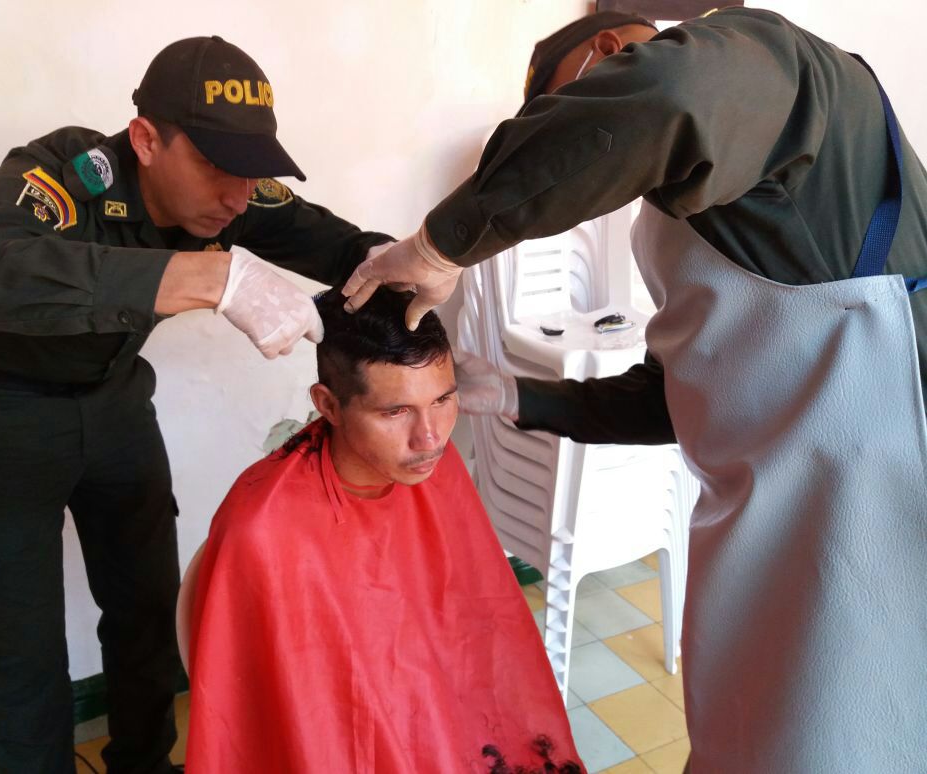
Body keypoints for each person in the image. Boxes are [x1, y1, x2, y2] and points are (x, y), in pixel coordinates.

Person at [342, 9, 927, 773]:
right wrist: (521, 397)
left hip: (880, 521)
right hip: (770, 538)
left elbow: (668, 94)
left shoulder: (775, 70)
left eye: (564, 116)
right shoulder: (706, 209)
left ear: (609, 55)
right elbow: (690, 388)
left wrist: (444, 239)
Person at [0, 36, 392, 774]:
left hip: (116, 406)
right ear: (147, 140)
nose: (239, 196)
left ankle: (144, 763)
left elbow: (338, 246)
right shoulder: (63, 174)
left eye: (252, 173)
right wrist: (207, 279)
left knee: (147, 611)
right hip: (7, 416)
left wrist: (413, 260)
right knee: (27, 648)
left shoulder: (232, 193)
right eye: (217, 167)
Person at [183, 288, 583, 774]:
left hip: (440, 713)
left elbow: (477, 630)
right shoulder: (262, 529)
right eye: (395, 412)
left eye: (443, 399)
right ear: (328, 405)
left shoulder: (432, 465)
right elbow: (283, 722)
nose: (431, 437)